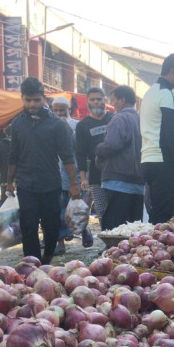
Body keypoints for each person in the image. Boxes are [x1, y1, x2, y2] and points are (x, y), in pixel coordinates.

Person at [6, 77, 80, 264]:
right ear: (22, 98)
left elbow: (68, 156)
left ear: (43, 98)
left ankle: (47, 259)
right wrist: (9, 182)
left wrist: (73, 184)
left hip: (50, 184)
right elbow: (13, 156)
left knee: (51, 225)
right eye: (28, 100)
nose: (32, 104)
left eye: (36, 100)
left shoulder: (57, 124)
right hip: (25, 185)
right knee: (28, 227)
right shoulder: (17, 124)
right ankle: (32, 263)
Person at [141, 52, 174, 223]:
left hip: (148, 160)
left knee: (156, 212)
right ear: (173, 72)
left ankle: (148, 247)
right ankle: (153, 249)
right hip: (163, 161)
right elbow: (170, 134)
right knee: (162, 217)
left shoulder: (150, 93)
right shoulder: (167, 95)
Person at [96, 86, 144, 231]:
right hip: (138, 182)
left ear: (122, 100)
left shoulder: (119, 118)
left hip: (119, 179)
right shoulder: (140, 119)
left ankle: (111, 252)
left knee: (114, 225)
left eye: (114, 100)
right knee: (133, 227)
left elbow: (112, 145)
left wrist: (98, 149)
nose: (113, 104)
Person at [75, 88, 113, 239]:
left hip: (116, 173)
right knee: (102, 210)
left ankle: (121, 241)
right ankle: (107, 242)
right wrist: (83, 177)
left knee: (117, 208)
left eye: (99, 99)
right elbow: (80, 153)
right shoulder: (83, 125)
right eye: (93, 99)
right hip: (96, 176)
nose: (96, 102)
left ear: (105, 100)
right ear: (88, 102)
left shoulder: (113, 118)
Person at [51, 96, 85, 253]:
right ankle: (60, 244)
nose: (58, 113)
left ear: (68, 110)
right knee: (57, 213)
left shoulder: (77, 126)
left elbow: (82, 150)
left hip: (74, 177)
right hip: (54, 177)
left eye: (61, 110)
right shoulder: (48, 126)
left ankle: (85, 232)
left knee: (77, 210)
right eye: (55, 110)